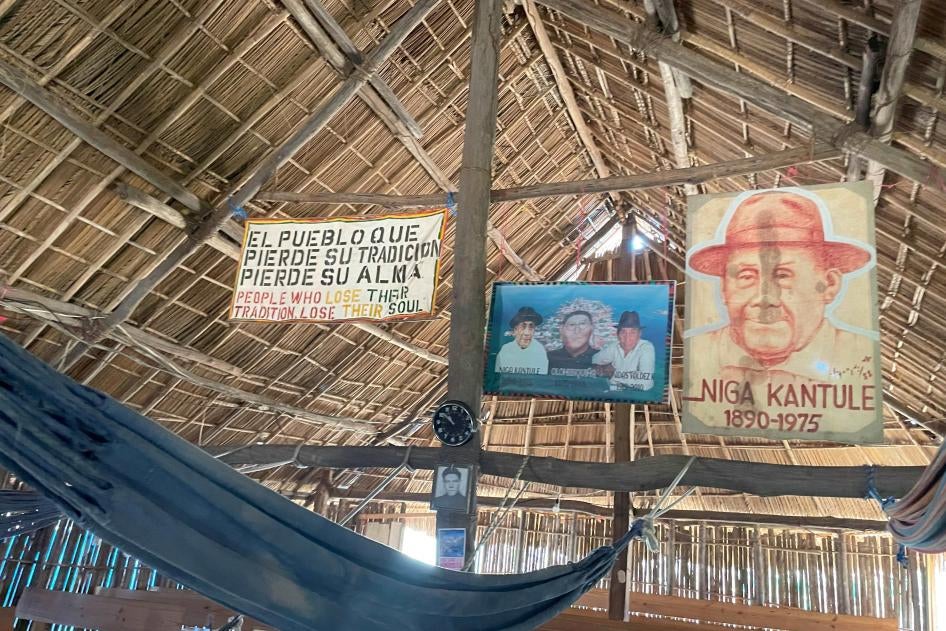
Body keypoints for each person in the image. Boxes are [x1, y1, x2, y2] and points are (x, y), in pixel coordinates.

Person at [686, 190, 874, 385]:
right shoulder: (699, 351)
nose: (764, 298)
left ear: (829, 285)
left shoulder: (860, 356)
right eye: (746, 276)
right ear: (724, 287)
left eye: (782, 275)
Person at [592, 311, 655, 391]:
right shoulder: (614, 346)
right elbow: (594, 359)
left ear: (639, 334)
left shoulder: (646, 347)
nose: (627, 337)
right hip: (613, 392)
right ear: (618, 334)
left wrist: (612, 374)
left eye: (632, 332)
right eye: (623, 332)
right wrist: (602, 367)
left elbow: (646, 384)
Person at [494, 306, 548, 375]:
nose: (527, 333)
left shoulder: (540, 350)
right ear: (515, 330)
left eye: (531, 327)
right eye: (523, 326)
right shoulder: (505, 350)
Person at [547, 310, 598, 376]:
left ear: (591, 328)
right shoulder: (547, 357)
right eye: (572, 325)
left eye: (582, 324)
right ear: (562, 330)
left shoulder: (602, 358)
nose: (577, 331)